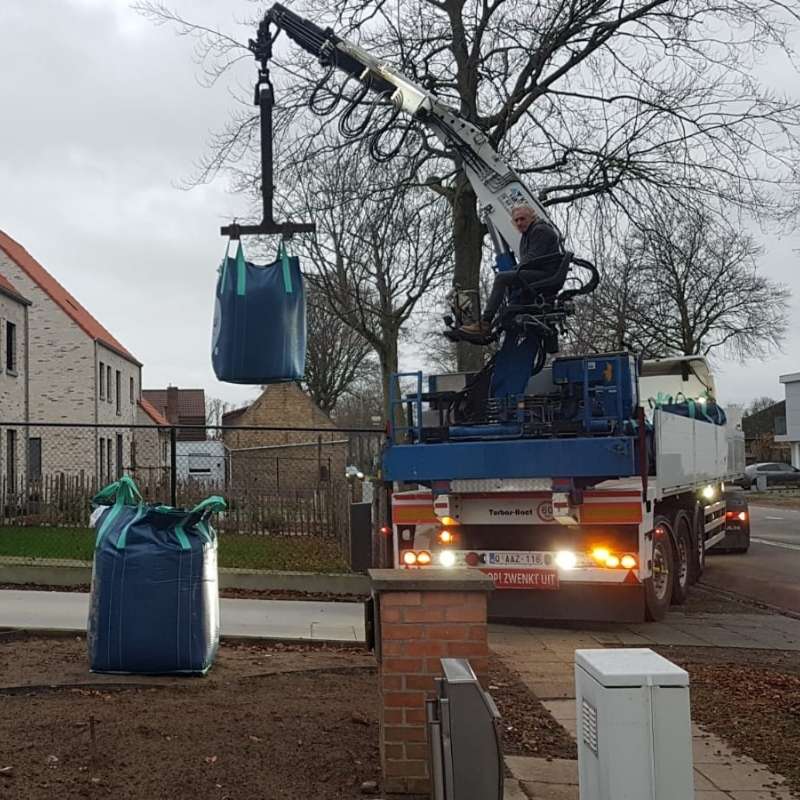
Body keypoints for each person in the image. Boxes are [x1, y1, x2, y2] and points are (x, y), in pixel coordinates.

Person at [459, 203, 562, 336]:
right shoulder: (528, 234)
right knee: (508, 279)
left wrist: (514, 271)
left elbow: (532, 259)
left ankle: (485, 322)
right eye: (516, 220)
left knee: (502, 278)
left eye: (522, 219)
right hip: (542, 273)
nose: (519, 223)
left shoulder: (540, 230)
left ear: (532, 217)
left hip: (546, 275)